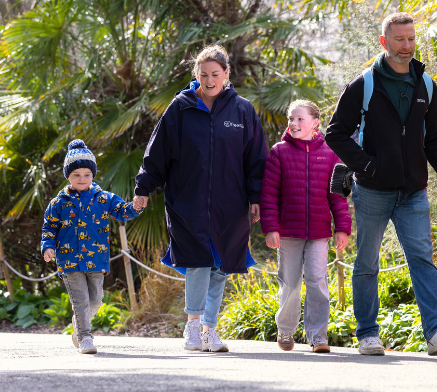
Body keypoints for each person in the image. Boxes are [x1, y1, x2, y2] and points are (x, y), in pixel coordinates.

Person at [325, 12, 437, 356]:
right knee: (367, 263)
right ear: (384, 42)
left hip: (413, 191)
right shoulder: (364, 84)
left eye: (411, 39)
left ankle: (435, 333)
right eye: (400, 39)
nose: (407, 46)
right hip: (373, 191)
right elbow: (335, 134)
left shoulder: (425, 84)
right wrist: (368, 166)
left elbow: (434, 140)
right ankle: (368, 334)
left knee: (422, 259)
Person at [133, 45, 268, 353]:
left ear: (226, 74)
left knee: (220, 266)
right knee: (198, 261)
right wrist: (143, 187)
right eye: (204, 74)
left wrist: (256, 195)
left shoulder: (243, 110)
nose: (209, 81)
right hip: (187, 200)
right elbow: (158, 152)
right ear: (195, 74)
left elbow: (256, 159)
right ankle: (193, 326)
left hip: (230, 203)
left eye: (215, 74)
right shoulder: (180, 108)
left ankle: (210, 329)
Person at [260, 100, 352, 353]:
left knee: (317, 282)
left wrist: (342, 228)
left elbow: (339, 196)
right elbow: (268, 195)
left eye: (300, 119)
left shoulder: (332, 155)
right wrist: (270, 227)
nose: (294, 123)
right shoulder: (278, 152)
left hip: (320, 234)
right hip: (287, 232)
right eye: (291, 119)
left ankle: (318, 336)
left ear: (315, 123)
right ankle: (286, 331)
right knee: (289, 283)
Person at [41, 139, 143, 354]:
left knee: (95, 300)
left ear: (93, 175)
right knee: (81, 301)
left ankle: (78, 325)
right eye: (76, 174)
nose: (82, 179)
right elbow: (49, 228)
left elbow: (123, 211)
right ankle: (86, 338)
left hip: (97, 259)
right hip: (69, 261)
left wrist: (135, 206)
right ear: (68, 175)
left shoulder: (103, 198)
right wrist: (48, 247)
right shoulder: (58, 202)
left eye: (87, 174)